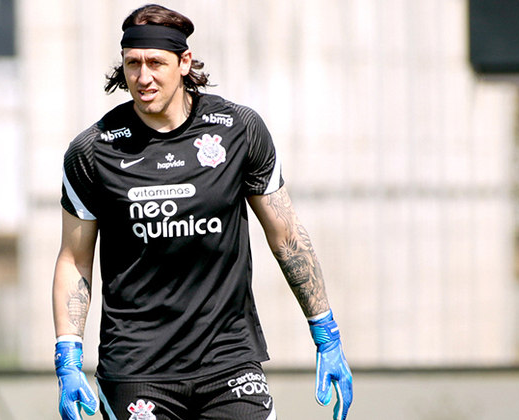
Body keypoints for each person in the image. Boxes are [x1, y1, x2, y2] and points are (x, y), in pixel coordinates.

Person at [51, 4, 353, 420]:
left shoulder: (239, 130)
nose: (142, 78)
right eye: (132, 64)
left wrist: (325, 331)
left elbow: (286, 236)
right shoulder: (93, 151)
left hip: (229, 359)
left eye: (155, 63)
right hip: (137, 369)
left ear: (184, 62)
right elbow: (74, 257)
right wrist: (68, 357)